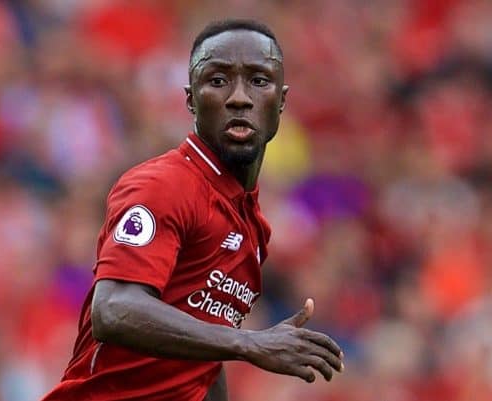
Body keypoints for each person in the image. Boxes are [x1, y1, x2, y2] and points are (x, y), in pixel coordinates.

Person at [42, 19, 344, 401]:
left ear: (281, 101)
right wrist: (250, 343)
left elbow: (202, 360)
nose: (239, 97)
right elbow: (115, 310)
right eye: (217, 81)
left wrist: (236, 346)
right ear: (190, 100)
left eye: (259, 81)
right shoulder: (164, 185)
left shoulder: (252, 227)